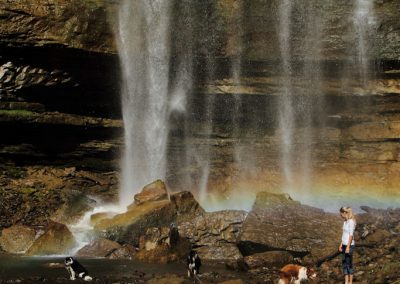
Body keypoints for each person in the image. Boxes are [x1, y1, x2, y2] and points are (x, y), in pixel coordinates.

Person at [338, 206, 356, 284]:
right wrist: (340, 244)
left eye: (341, 214)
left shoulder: (351, 221)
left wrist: (348, 247)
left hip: (349, 246)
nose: (340, 215)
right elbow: (344, 234)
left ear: (345, 213)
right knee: (344, 263)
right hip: (344, 245)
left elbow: (351, 235)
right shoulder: (345, 222)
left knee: (349, 264)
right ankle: (346, 282)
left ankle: (350, 282)